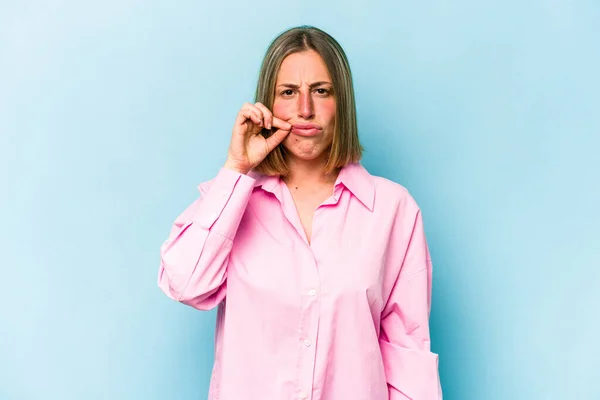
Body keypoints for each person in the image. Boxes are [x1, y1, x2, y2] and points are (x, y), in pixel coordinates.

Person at [158, 25, 442, 400]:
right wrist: (236, 169)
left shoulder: (393, 210)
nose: (305, 109)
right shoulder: (232, 201)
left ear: (341, 102)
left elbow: (408, 354)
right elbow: (185, 283)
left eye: (321, 91)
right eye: (288, 92)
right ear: (268, 105)